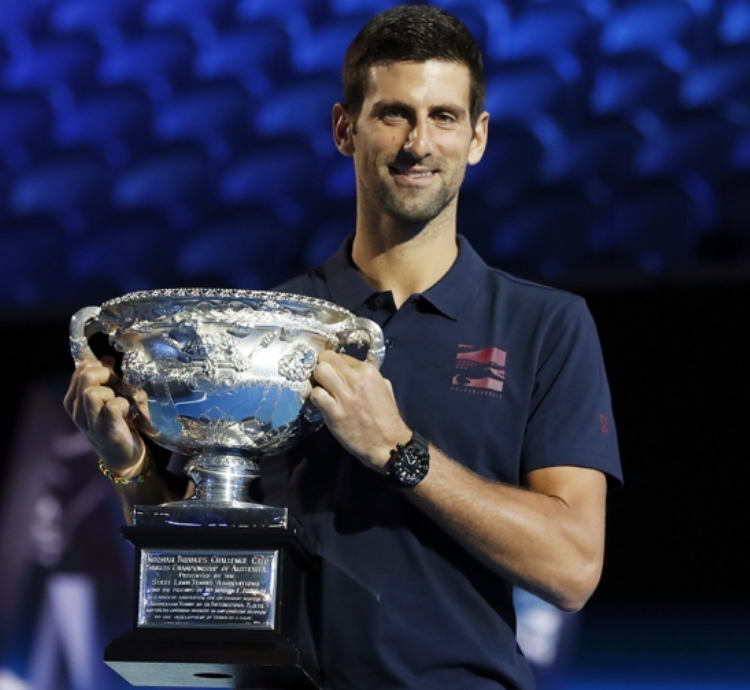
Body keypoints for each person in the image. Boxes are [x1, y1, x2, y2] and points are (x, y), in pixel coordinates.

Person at [64, 5, 623, 689]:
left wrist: (400, 452)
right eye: (393, 114)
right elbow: (202, 559)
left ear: (477, 138)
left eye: (443, 117)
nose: (419, 142)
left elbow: (571, 568)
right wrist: (128, 465)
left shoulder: (547, 325)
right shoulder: (262, 336)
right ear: (343, 129)